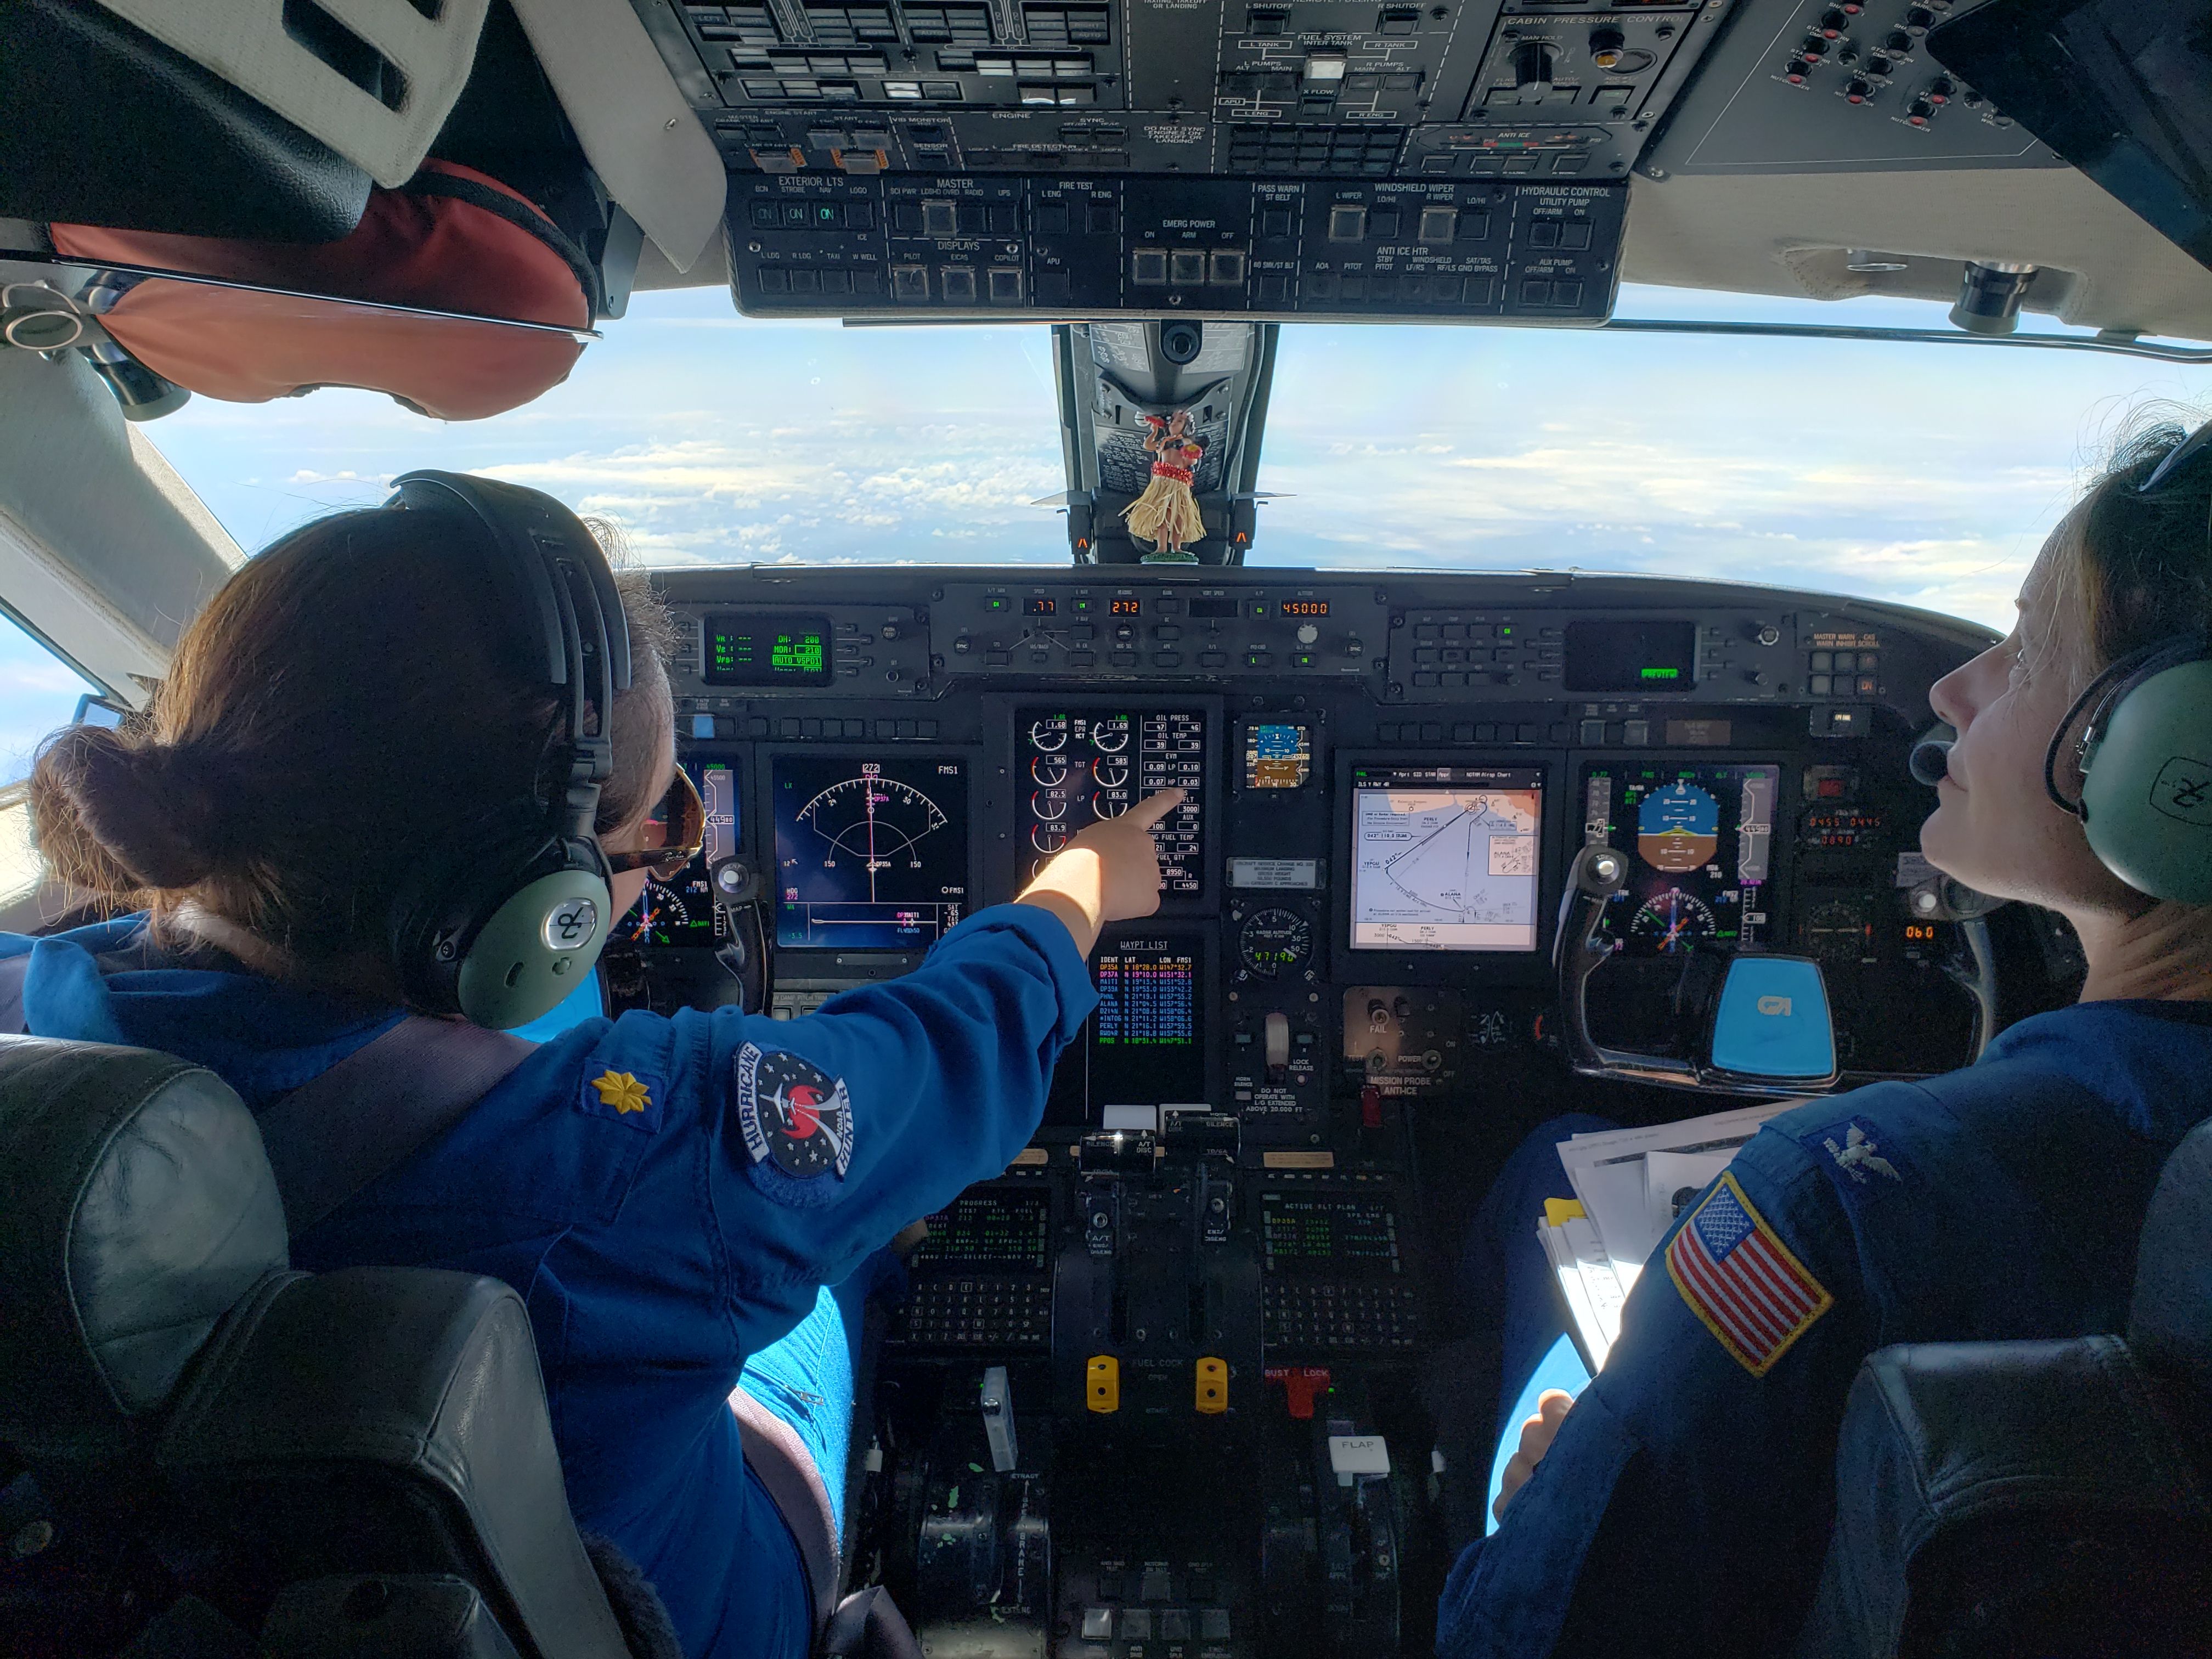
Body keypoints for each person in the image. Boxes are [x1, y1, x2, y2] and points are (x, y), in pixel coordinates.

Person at [12, 479, 1183, 1659]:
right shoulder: (639, 1157)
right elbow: (947, 1054)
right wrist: (1076, 890)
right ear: (527, 906)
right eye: (663, 821)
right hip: (685, 1612)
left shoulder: (29, 1039)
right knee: (835, 1269)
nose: (679, 853)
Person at [1438, 411, 2212, 1658]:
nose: (1956, 686)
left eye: (2029, 651)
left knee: (1550, 1168)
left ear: (2184, 760)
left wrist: (1546, 1521)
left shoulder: (1832, 1199)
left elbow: (1521, 1639)